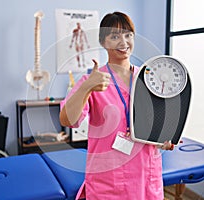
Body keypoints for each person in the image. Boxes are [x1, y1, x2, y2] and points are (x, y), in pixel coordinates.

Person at [60, 11, 172, 200]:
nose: (123, 42)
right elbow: (67, 120)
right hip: (108, 179)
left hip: (146, 176)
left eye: (128, 35)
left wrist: (166, 139)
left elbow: (159, 122)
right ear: (103, 42)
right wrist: (87, 87)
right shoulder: (92, 80)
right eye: (114, 36)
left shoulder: (150, 78)